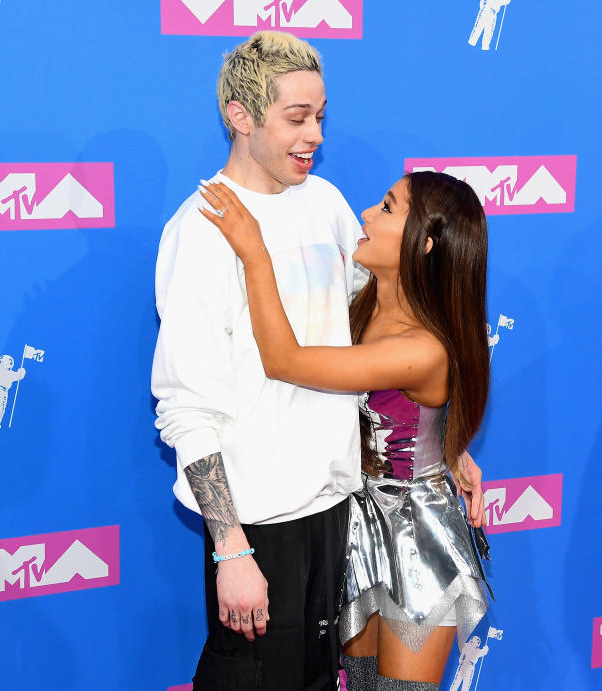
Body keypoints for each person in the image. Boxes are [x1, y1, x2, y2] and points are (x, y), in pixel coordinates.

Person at [151, 32, 485, 690]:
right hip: (260, 526)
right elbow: (186, 406)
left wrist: (444, 442)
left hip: (340, 513)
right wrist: (231, 545)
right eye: (296, 118)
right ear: (240, 117)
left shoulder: (327, 203)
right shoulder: (201, 229)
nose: (313, 136)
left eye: (321, 117)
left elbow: (381, 337)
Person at [199, 169, 491, 690]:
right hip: (353, 523)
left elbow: (285, 360)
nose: (366, 215)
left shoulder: (420, 348)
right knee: (355, 683)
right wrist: (453, 447)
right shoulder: (362, 300)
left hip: (416, 538)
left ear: (423, 243)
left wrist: (255, 255)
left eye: (387, 208)